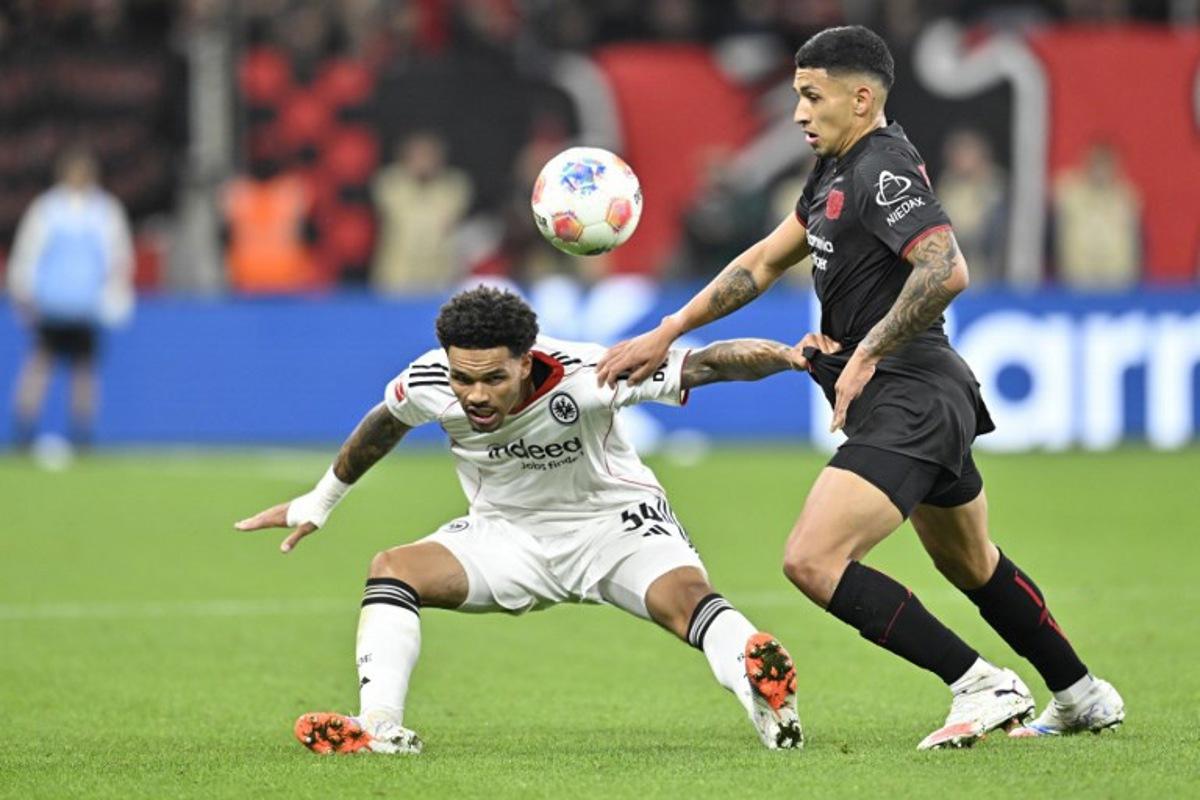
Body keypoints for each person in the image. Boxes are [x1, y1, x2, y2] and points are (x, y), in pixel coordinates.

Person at [597, 26, 1124, 749]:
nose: (798, 114)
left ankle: (979, 683)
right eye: (796, 97)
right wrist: (671, 328)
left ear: (862, 97)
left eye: (812, 97)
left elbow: (946, 267)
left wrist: (870, 350)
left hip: (909, 389)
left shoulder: (881, 168)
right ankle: (1081, 692)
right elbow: (760, 262)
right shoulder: (832, 171)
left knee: (812, 560)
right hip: (924, 391)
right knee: (971, 562)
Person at [235, 286, 807, 755]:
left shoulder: (592, 376)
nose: (475, 396)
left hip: (614, 526)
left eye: (493, 379)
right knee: (393, 568)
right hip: (506, 536)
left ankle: (769, 700)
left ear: (527, 362)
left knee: (687, 600)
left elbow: (707, 363)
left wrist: (788, 357)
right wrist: (321, 499)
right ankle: (380, 727)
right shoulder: (432, 381)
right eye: (464, 379)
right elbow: (386, 422)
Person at [7, 147, 134, 450]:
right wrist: (23, 292)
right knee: (44, 367)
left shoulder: (103, 211)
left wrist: (115, 295)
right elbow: (29, 254)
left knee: (81, 371)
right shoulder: (50, 209)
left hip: (83, 307)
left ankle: (80, 433)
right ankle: (25, 430)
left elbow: (117, 258)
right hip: (55, 305)